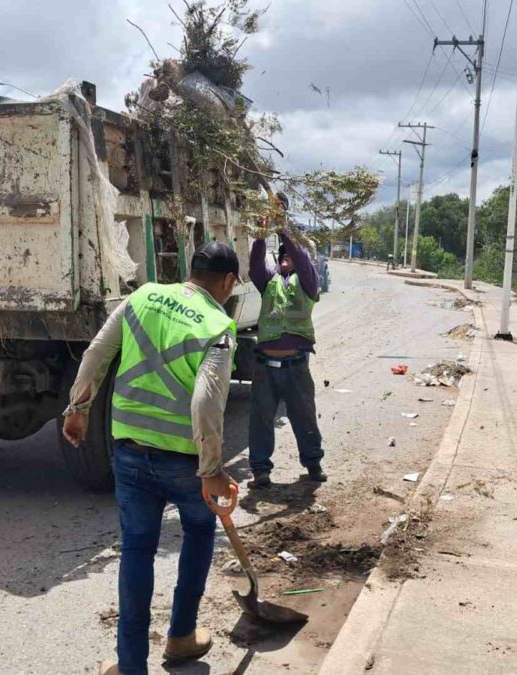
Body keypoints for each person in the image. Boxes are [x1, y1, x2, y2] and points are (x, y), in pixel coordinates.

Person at [63, 242, 241, 675]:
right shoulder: (218, 325)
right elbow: (205, 403)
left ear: (190, 270)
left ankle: (130, 666)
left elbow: (95, 355)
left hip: (129, 453)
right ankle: (181, 637)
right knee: (198, 534)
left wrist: (78, 410)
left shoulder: (141, 296)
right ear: (228, 282)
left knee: (137, 551)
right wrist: (213, 470)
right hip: (184, 462)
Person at [248, 220, 325, 488]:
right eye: (281, 257)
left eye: (290, 256)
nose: (285, 260)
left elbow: (303, 262)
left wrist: (284, 230)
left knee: (304, 416)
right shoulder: (268, 283)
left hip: (295, 366)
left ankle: (313, 463)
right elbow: (256, 265)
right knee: (260, 420)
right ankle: (260, 471)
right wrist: (260, 236)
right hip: (265, 367)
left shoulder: (308, 283)